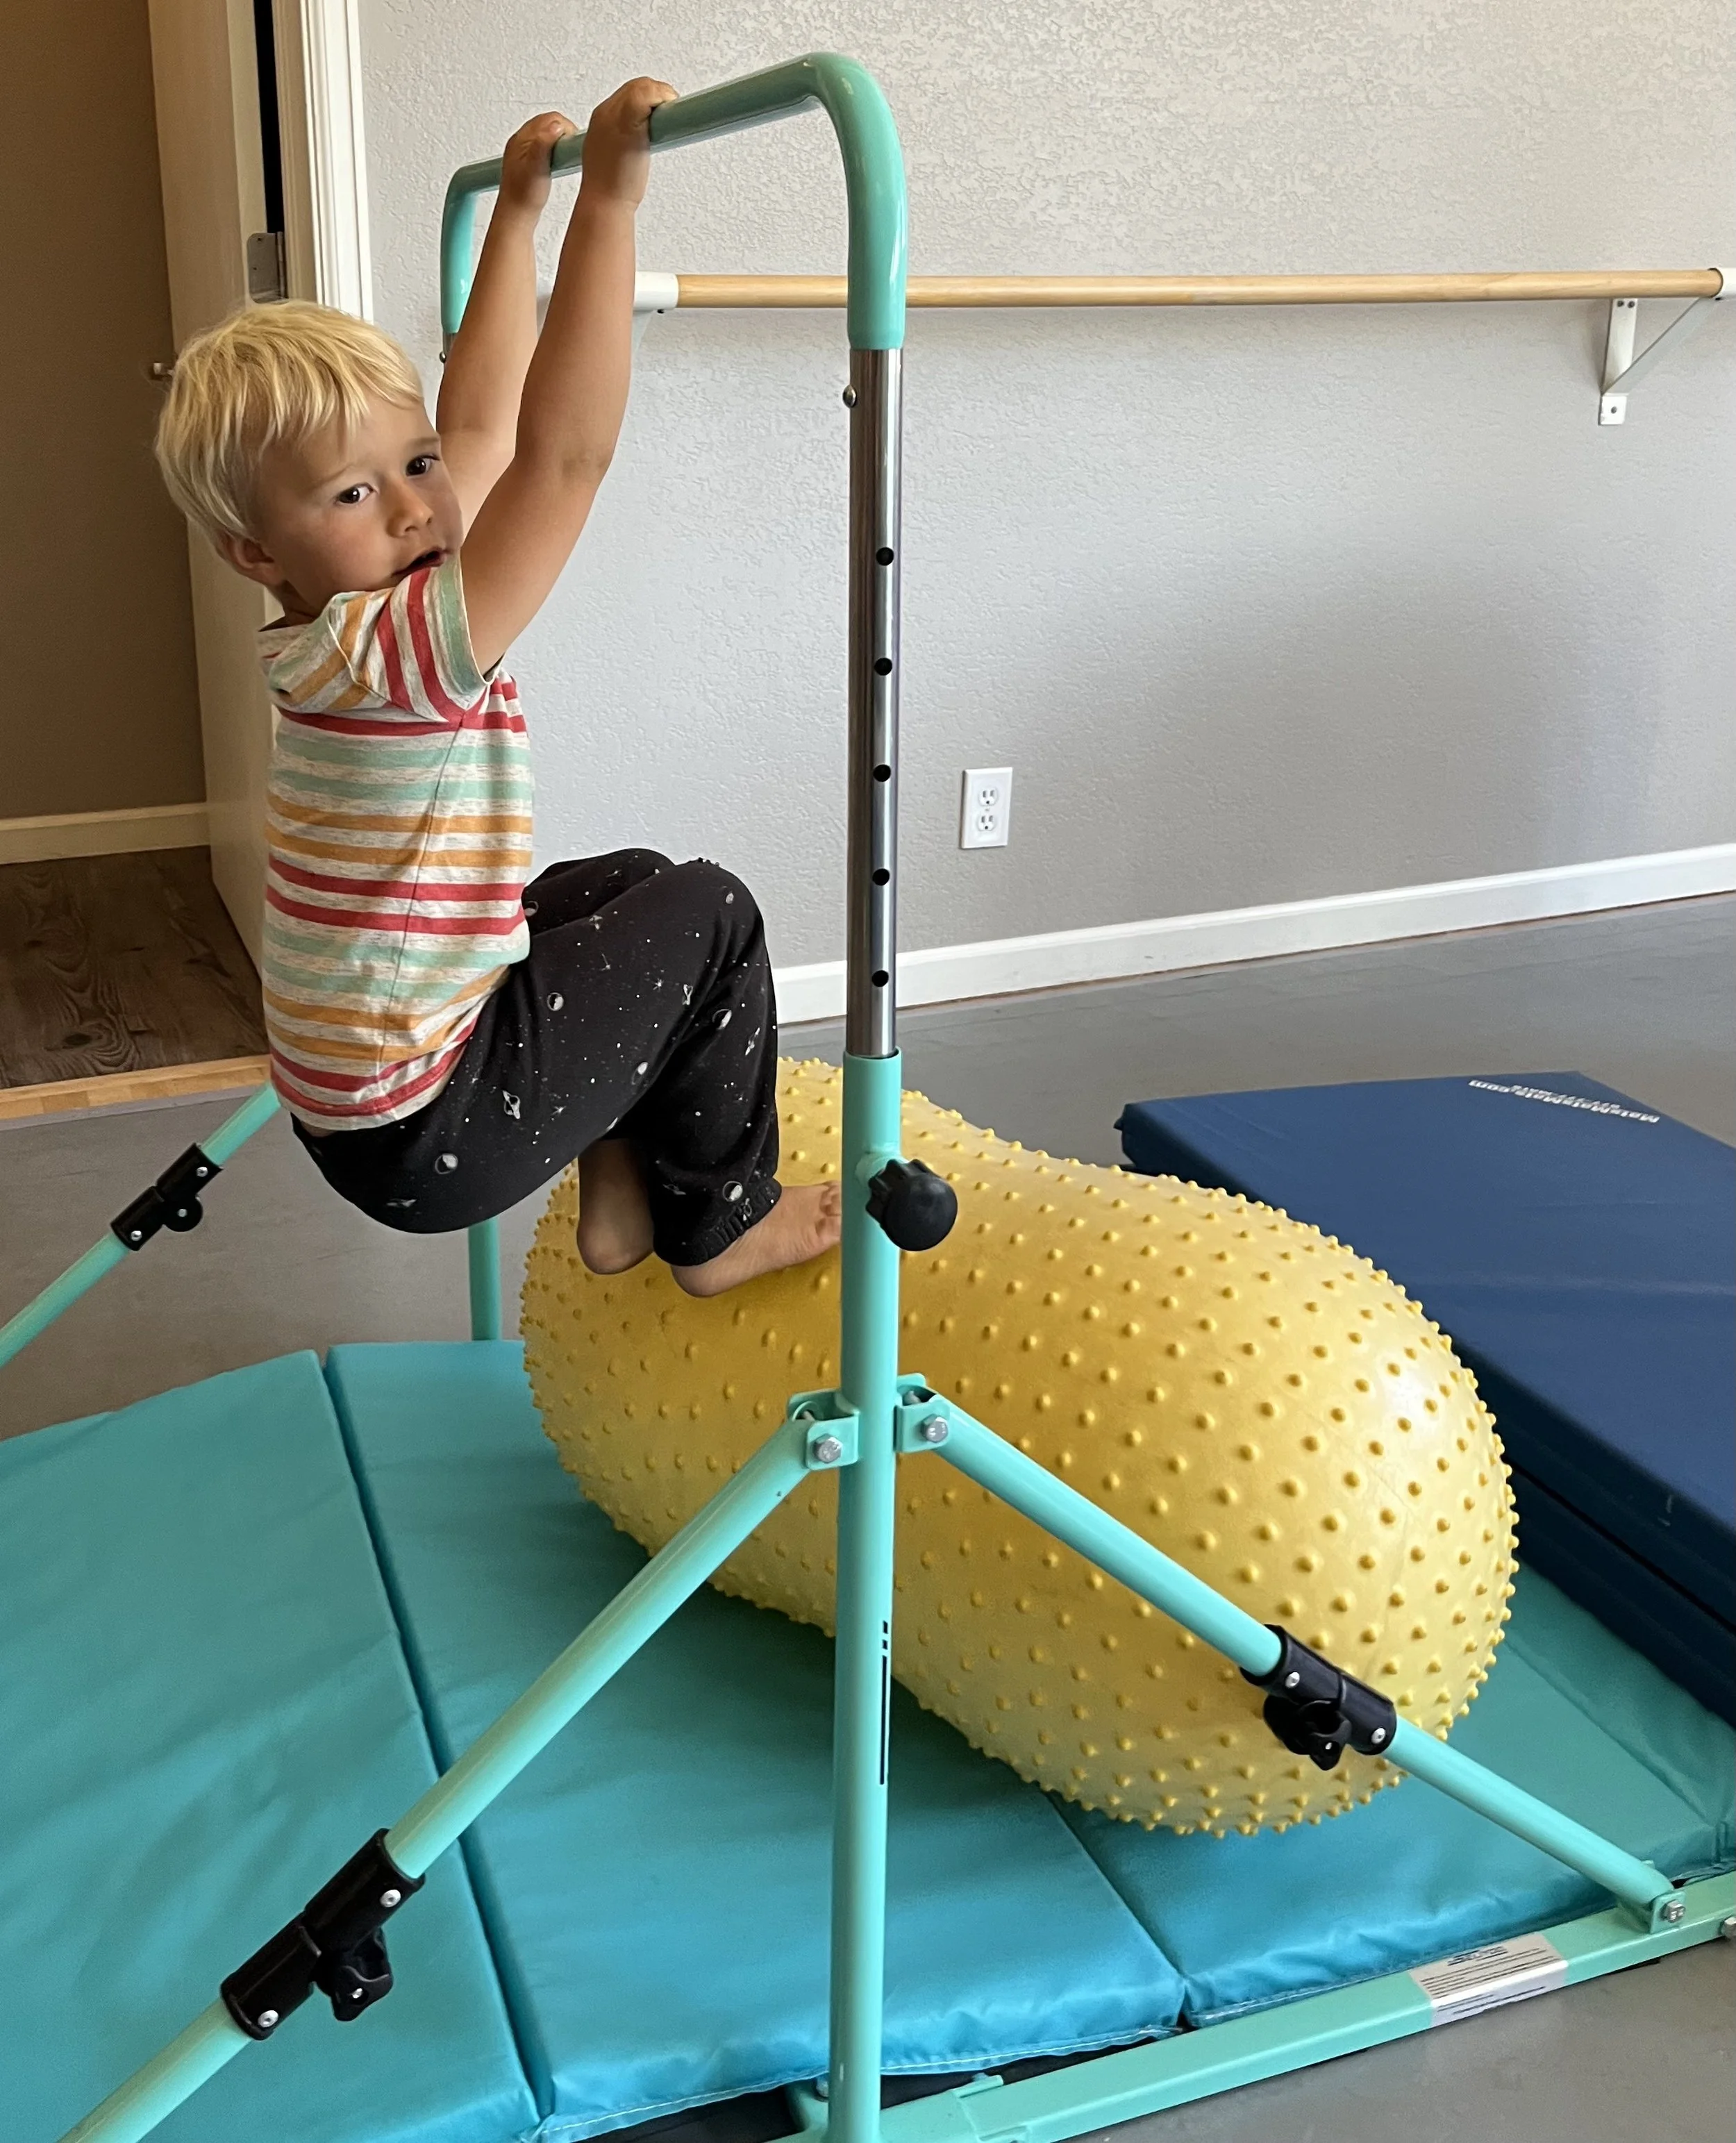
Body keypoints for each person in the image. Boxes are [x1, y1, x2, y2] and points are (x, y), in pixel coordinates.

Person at [153, 79, 840, 1296]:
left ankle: (625, 1191)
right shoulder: (403, 647)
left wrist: (516, 219)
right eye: (356, 494)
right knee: (718, 915)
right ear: (257, 551)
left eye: (409, 465)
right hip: (429, 1126)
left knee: (630, 887)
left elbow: (482, 429)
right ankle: (721, 1223)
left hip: (371, 1101)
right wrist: (610, 206)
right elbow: (561, 460)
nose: (420, 503)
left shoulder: (337, 626)